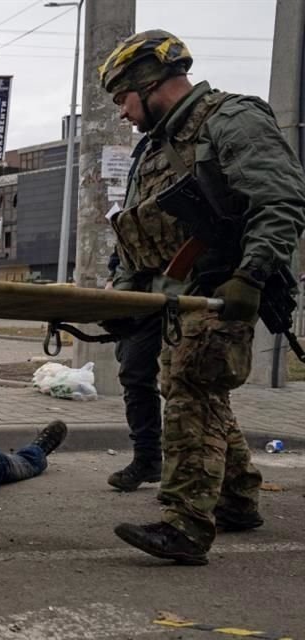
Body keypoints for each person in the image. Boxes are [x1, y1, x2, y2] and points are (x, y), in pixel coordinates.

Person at [99, 30, 305, 565]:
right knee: (201, 389)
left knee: (192, 389)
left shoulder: (230, 120)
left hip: (225, 289)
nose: (122, 111)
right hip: (181, 297)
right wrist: (129, 301)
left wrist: (252, 276)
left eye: (122, 97)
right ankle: (237, 499)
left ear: (147, 84)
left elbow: (280, 199)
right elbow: (146, 235)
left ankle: (185, 523)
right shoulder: (155, 146)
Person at [102, 246, 166, 493]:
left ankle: (230, 479)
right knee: (135, 374)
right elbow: (125, 237)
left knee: (192, 386)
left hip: (185, 292)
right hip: (138, 298)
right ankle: (147, 458)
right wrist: (113, 280)